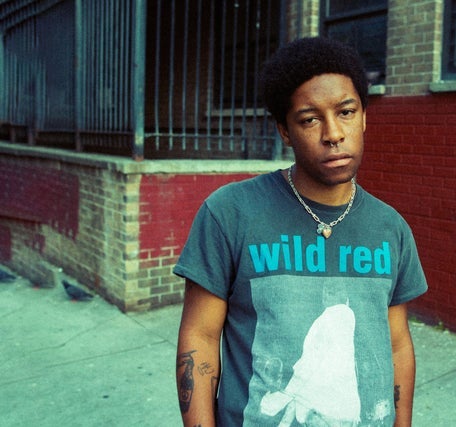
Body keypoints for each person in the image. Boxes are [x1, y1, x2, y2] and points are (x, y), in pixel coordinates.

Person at [174, 36, 427, 426]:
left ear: (363, 117)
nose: (333, 133)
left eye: (346, 112)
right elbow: (200, 338)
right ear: (285, 131)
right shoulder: (230, 213)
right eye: (310, 119)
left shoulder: (390, 227)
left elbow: (396, 346)